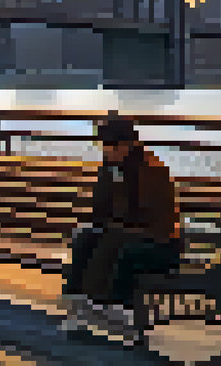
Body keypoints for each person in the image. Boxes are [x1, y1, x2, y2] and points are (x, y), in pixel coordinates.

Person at [59, 114, 182, 335]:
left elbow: (154, 222)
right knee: (85, 237)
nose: (108, 150)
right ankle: (77, 300)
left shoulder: (152, 170)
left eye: (114, 145)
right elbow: (101, 208)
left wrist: (115, 222)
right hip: (126, 234)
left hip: (161, 244)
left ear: (129, 143)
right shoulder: (112, 166)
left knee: (114, 242)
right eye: (105, 145)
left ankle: (105, 305)